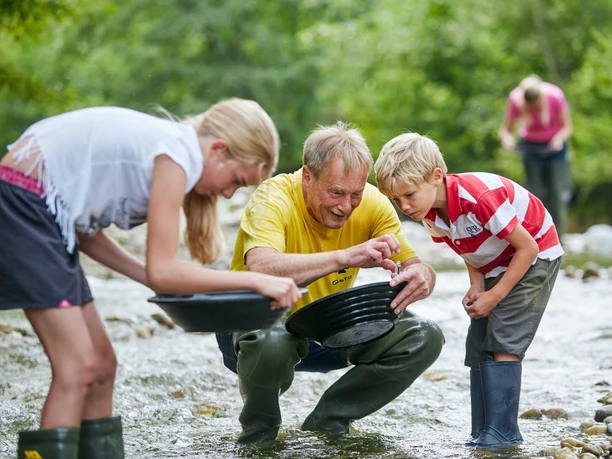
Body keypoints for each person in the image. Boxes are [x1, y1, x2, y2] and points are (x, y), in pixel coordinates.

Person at [0, 98, 303, 459]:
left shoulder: (172, 150)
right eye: (235, 181)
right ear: (218, 149)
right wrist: (252, 281)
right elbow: (165, 270)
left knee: (102, 365)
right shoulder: (175, 155)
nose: (227, 194)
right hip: (24, 204)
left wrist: (148, 277)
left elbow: (87, 234)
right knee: (78, 367)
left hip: (46, 213)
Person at [215, 123, 445, 444]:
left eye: (356, 194)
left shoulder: (373, 203)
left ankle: (327, 424)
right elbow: (262, 267)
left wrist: (423, 277)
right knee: (272, 340)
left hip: (325, 327)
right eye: (336, 192)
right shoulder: (273, 196)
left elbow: (415, 265)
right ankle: (259, 436)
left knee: (424, 335)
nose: (346, 206)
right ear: (307, 176)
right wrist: (346, 257)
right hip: (252, 329)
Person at [374, 133, 564, 447]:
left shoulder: (478, 198)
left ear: (436, 177)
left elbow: (527, 248)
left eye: (409, 195)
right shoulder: (431, 215)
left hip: (535, 253)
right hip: (496, 259)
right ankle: (482, 428)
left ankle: (503, 432)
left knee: (504, 336)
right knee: (478, 341)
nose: (404, 206)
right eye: (396, 200)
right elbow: (467, 248)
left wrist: (496, 294)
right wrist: (477, 285)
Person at [499, 74, 573, 237]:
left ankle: (558, 236)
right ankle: (537, 236)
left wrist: (558, 139)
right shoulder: (515, 98)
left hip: (554, 148)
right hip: (530, 148)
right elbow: (505, 130)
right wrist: (508, 140)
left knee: (557, 193)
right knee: (534, 194)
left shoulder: (554, 96)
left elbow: (567, 127)